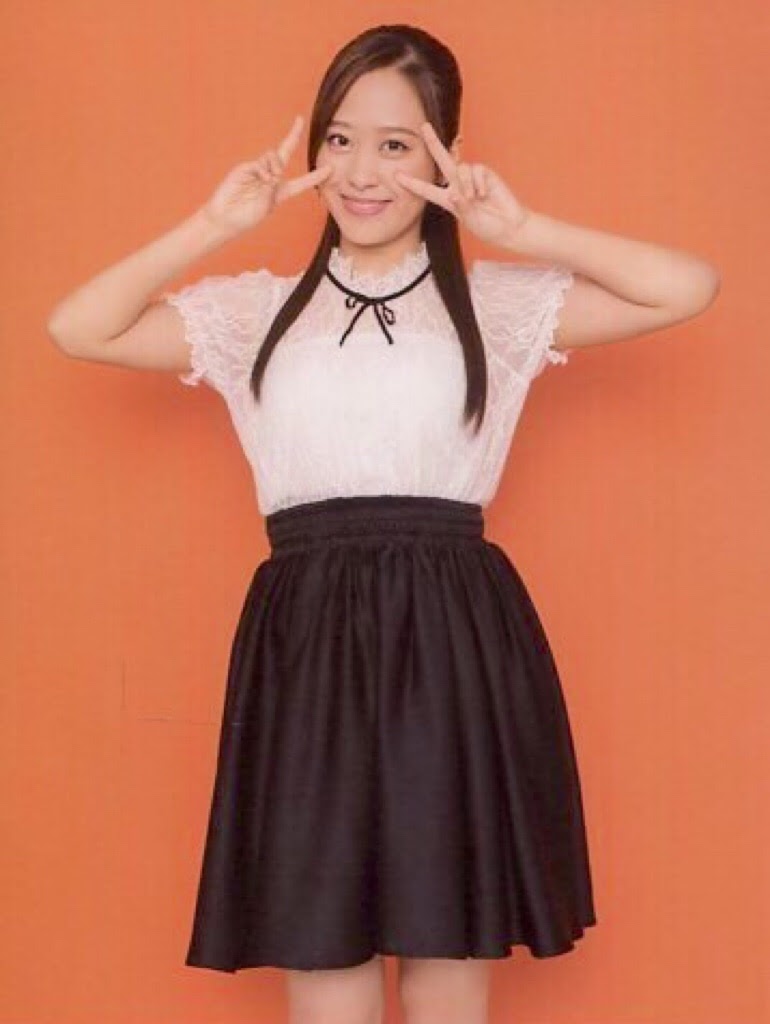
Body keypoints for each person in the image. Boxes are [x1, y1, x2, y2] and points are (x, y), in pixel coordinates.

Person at [47, 22, 720, 1024]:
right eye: (340, 140)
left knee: (447, 965)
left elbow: (688, 286)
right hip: (305, 639)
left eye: (396, 144)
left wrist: (524, 229)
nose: (362, 172)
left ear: (444, 156)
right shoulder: (254, 313)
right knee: (324, 964)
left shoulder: (493, 307)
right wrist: (212, 225)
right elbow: (77, 326)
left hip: (452, 636)